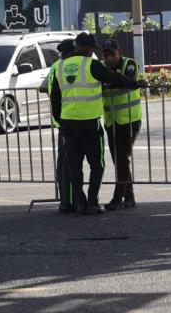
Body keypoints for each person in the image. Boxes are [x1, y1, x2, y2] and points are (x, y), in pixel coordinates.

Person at [49, 33, 144, 215]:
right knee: (97, 165)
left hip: (68, 123)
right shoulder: (90, 64)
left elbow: (55, 97)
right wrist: (135, 84)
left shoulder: (61, 67)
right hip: (89, 123)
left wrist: (61, 121)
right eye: (92, 49)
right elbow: (114, 78)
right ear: (86, 49)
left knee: (74, 165)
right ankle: (92, 202)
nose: (94, 52)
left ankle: (80, 204)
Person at [100, 39, 142, 211]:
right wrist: (113, 82)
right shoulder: (101, 67)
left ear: (120, 53)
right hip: (111, 121)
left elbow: (128, 83)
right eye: (106, 55)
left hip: (129, 119)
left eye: (112, 55)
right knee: (118, 160)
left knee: (122, 158)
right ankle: (130, 198)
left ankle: (118, 198)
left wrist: (110, 82)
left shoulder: (129, 64)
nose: (109, 59)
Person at [44, 39, 77, 214]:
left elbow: (44, 87)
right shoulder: (66, 67)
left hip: (60, 120)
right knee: (68, 163)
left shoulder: (55, 66)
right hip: (68, 119)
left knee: (63, 161)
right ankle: (68, 201)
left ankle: (66, 199)